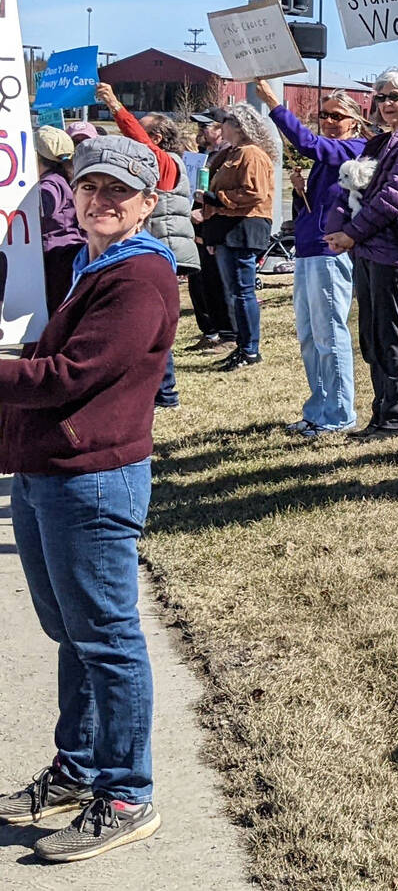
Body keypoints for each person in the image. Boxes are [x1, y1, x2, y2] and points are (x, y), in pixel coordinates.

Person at [0, 135, 179, 863]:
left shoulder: (139, 277)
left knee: (106, 640)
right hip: (49, 468)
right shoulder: (86, 263)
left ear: (148, 203)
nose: (101, 201)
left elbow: (69, 375)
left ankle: (127, 792)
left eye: (118, 191)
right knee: (72, 633)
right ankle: (77, 770)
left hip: (92, 475)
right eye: (90, 188)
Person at [254, 80, 370, 437]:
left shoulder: (352, 149)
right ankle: (318, 409)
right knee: (309, 334)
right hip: (307, 249)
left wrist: (274, 103)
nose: (330, 121)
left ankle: (339, 413)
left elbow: (307, 143)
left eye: (337, 115)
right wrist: (304, 195)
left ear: (355, 120)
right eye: (324, 115)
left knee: (329, 334)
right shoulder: (330, 155)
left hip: (329, 253)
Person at [326, 70, 398, 437]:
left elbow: (393, 199)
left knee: (390, 337)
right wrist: (335, 231)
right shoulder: (377, 143)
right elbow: (346, 188)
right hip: (366, 253)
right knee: (371, 337)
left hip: (392, 256)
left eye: (394, 96)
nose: (386, 104)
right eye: (380, 97)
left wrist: (351, 233)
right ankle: (380, 411)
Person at [94, 85, 200, 409]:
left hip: (162, 248)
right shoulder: (159, 166)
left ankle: (166, 395)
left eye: (142, 134)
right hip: (158, 248)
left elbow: (138, 139)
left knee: (153, 325)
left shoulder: (165, 163)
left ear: (155, 140)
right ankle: (157, 392)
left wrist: (115, 105)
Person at [191, 104, 277, 372]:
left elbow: (255, 192)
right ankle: (243, 345)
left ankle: (249, 350)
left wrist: (216, 199)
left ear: (239, 126)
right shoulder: (232, 153)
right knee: (235, 291)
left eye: (225, 122)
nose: (220, 127)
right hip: (227, 230)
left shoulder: (251, 154)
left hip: (243, 228)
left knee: (242, 291)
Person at [187, 113, 235, 348]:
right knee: (198, 280)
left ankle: (227, 333)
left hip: (213, 223)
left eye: (205, 126)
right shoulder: (202, 154)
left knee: (217, 281)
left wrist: (205, 212)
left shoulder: (228, 155)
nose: (200, 130)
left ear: (220, 128)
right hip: (196, 222)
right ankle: (209, 331)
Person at [33, 127, 83, 317]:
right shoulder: (62, 179)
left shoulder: (50, 183)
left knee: (55, 311)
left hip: (57, 255)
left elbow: (45, 207)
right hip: (65, 252)